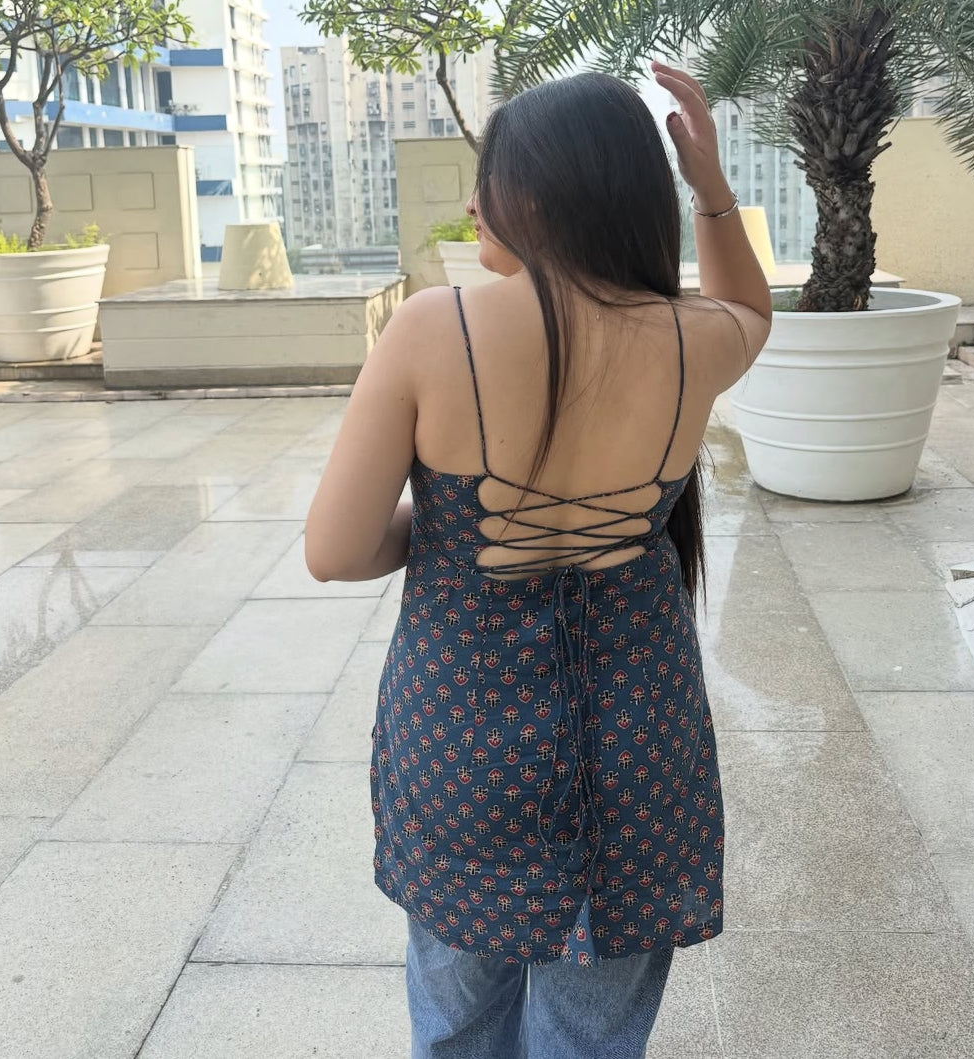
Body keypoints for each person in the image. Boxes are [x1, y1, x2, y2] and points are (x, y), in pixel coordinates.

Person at [304, 62, 772, 1059]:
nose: (474, 202)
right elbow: (752, 310)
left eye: (492, 176)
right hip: (641, 755)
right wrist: (709, 186)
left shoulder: (432, 326)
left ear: (543, 192)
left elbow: (334, 550)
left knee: (457, 1028)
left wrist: (452, 532)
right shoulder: (695, 339)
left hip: (461, 752)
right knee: (591, 1038)